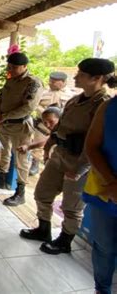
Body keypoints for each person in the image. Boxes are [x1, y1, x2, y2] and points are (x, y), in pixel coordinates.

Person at [20, 58, 113, 255]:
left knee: (71, 206)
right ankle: (43, 229)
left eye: (81, 74)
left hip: (80, 161)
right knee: (42, 193)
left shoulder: (103, 105)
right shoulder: (74, 100)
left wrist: (80, 169)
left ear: (97, 78)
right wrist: (48, 149)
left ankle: (64, 241)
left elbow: (95, 143)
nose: (75, 76)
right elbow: (58, 129)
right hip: (59, 155)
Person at [83, 74, 117, 294]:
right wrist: (112, 183)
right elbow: (92, 147)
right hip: (106, 192)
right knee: (104, 247)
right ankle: (101, 289)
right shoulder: (109, 107)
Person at [0, 51, 43, 206]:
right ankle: (0, 181)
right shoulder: (11, 80)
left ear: (24, 66)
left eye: (14, 67)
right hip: (5, 124)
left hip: (20, 126)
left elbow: (28, 107)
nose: (11, 69)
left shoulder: (33, 83)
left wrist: (6, 115)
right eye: (9, 66)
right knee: (3, 152)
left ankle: (20, 193)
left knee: (21, 158)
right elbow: (0, 98)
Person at [29, 72, 74, 174]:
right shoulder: (43, 93)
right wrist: (44, 112)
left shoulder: (71, 95)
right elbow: (35, 105)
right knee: (38, 146)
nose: (50, 83)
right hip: (42, 126)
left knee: (55, 148)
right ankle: (34, 164)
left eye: (54, 81)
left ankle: (50, 166)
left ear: (62, 82)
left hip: (60, 127)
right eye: (50, 81)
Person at [18, 106, 62, 172]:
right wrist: (28, 147)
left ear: (60, 119)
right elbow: (47, 140)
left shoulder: (66, 130)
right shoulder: (55, 131)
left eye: (51, 121)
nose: (48, 125)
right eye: (45, 122)